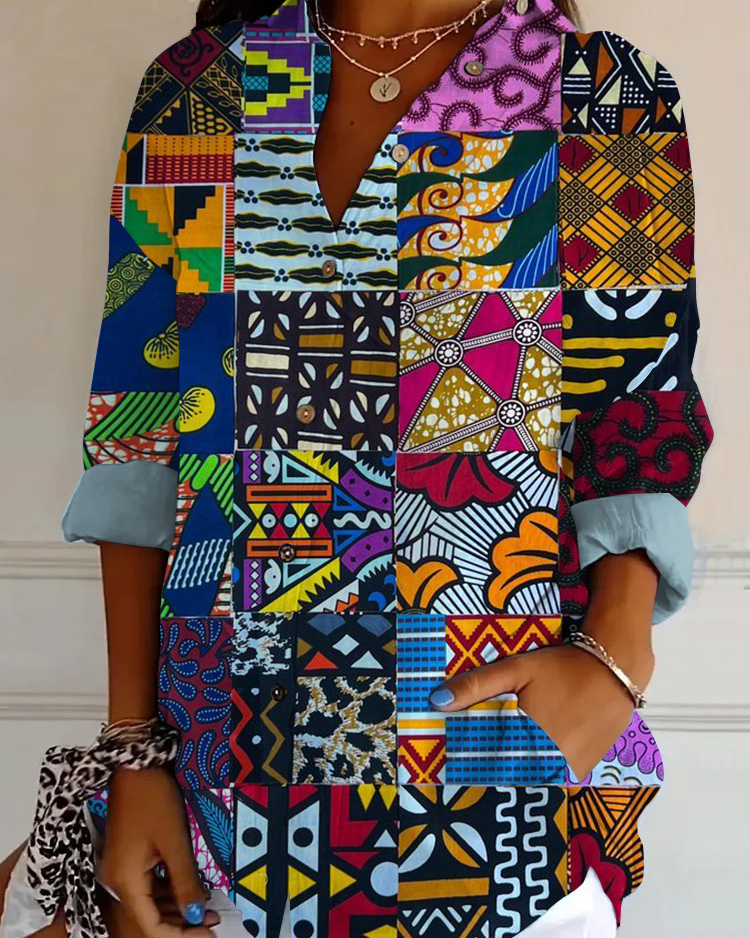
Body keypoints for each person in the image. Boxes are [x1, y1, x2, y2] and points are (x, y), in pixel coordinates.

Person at [0, 1, 713, 937]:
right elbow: (138, 441)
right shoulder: (198, 93)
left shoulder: (601, 94)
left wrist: (612, 670)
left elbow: (638, 417)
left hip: (499, 777)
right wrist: (134, 752)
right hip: (217, 795)